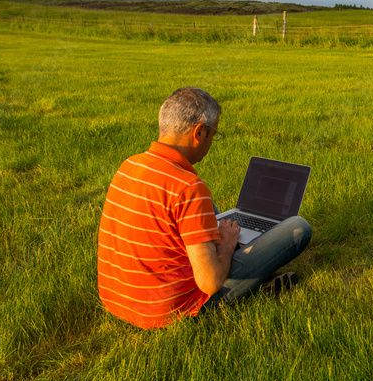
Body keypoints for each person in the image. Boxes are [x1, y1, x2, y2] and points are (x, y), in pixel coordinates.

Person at [97, 87, 311, 329]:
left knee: (209, 207)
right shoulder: (188, 187)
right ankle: (252, 284)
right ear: (199, 132)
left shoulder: (129, 165)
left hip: (116, 300)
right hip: (168, 312)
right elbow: (210, 283)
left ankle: (247, 267)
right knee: (297, 227)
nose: (212, 141)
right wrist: (227, 245)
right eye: (213, 134)